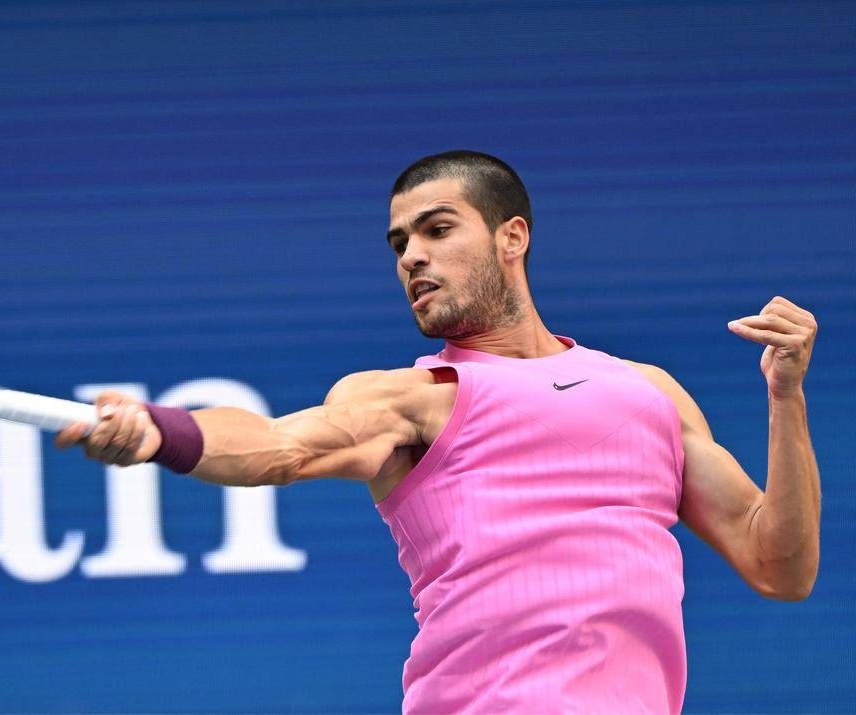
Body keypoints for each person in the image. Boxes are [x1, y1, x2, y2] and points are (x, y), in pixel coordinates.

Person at [54, 150, 822, 714]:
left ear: (512, 237)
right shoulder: (415, 399)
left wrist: (785, 397)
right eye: (399, 243)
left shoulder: (648, 392)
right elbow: (279, 445)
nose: (412, 256)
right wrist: (158, 430)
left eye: (437, 229)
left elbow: (778, 565)